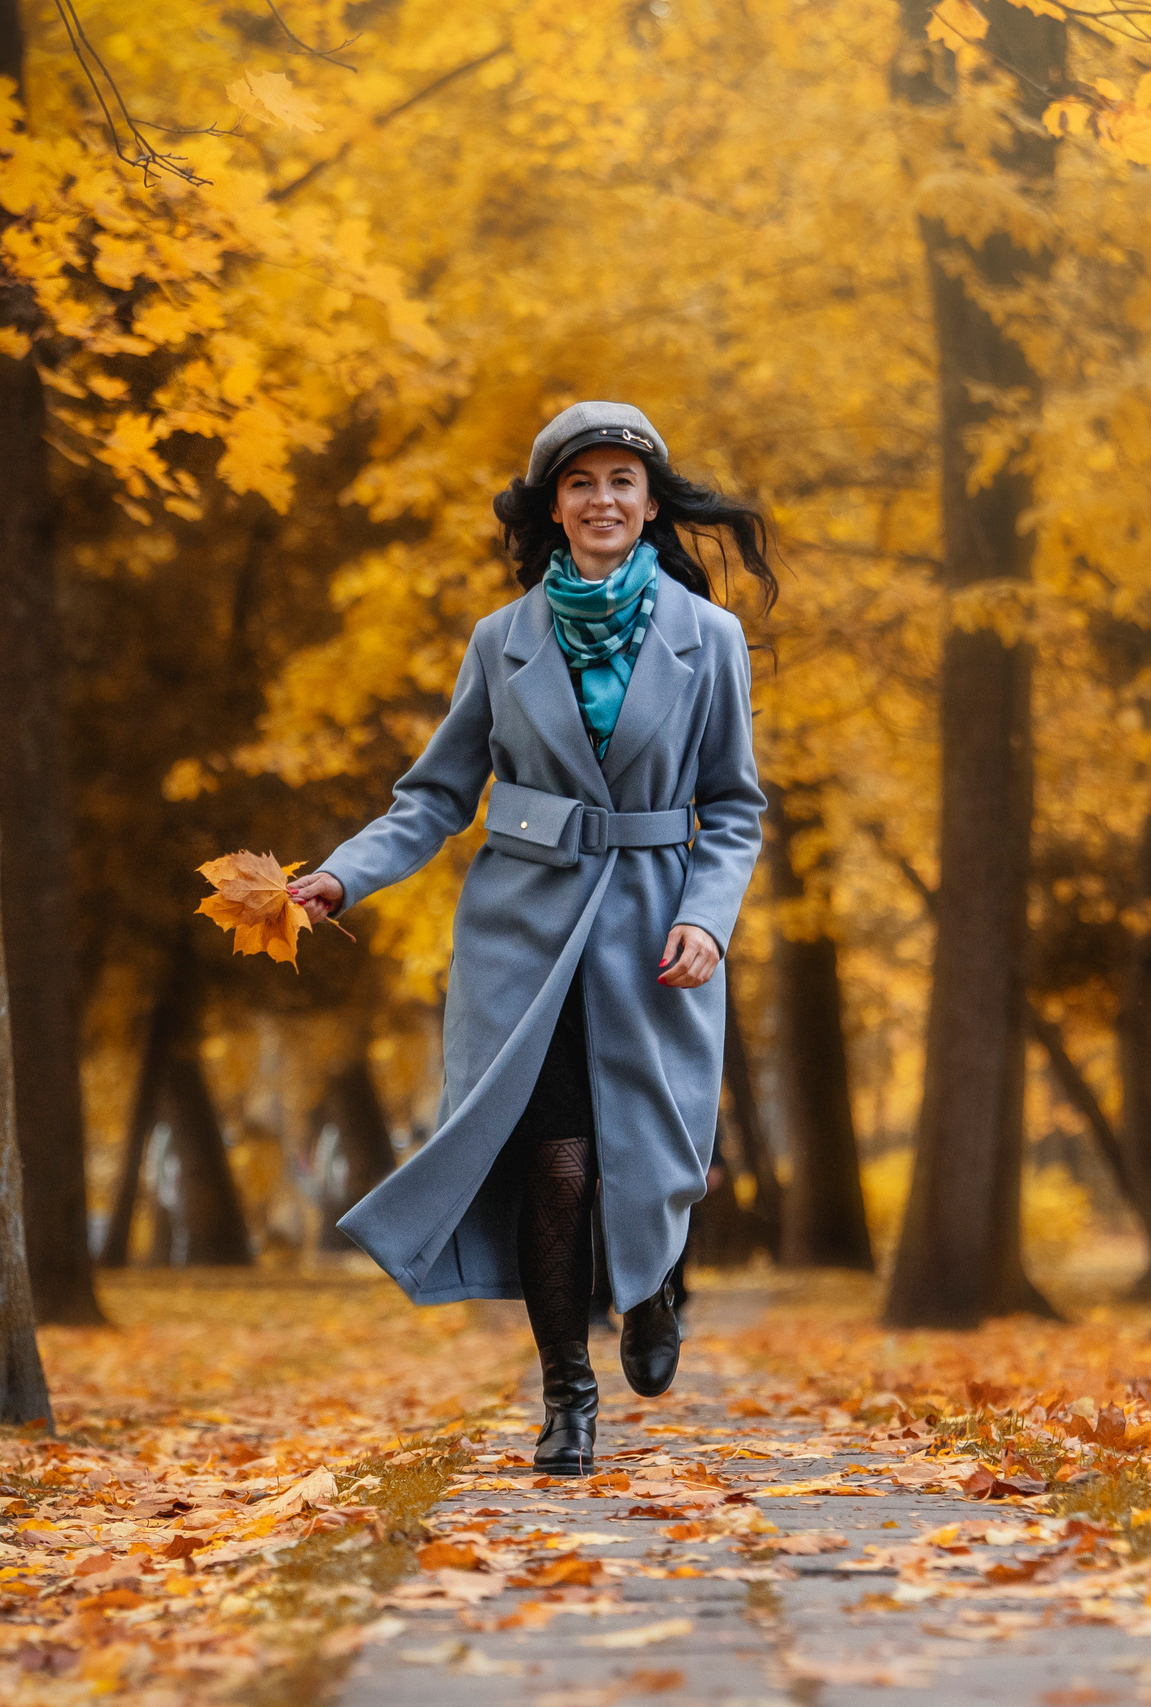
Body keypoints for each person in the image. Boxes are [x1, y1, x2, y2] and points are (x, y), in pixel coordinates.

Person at [286, 402, 770, 1476]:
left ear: (650, 506)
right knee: (554, 1167)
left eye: (622, 482)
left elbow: (734, 808)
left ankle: (653, 1288)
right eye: (581, 482)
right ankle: (567, 1396)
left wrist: (707, 915)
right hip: (522, 937)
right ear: (554, 506)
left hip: (654, 929)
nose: (602, 500)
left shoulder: (711, 638)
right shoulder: (500, 640)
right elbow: (433, 798)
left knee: (651, 1157)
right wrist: (340, 875)